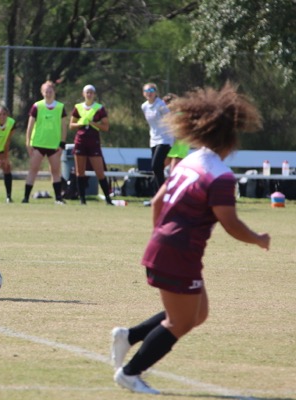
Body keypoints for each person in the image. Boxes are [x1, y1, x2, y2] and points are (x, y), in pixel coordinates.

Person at [111, 82, 270, 395]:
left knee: (197, 314)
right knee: (180, 322)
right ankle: (130, 373)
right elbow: (231, 223)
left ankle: (129, 336)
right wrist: (258, 239)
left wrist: (163, 236)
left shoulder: (189, 161)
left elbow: (157, 203)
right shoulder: (220, 175)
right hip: (178, 251)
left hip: (168, 247)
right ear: (229, 138)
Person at [22, 80, 68, 204]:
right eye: (46, 91)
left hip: (54, 145)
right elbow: (30, 125)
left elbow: (64, 126)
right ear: (42, 92)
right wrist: (28, 142)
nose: (48, 93)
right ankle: (26, 197)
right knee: (33, 169)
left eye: (50, 91)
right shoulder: (37, 106)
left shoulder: (60, 107)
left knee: (55, 171)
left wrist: (62, 143)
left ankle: (58, 198)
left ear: (54, 92)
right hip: (38, 144)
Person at [68, 84, 112, 205]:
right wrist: (81, 124)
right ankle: (82, 199)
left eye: (91, 92)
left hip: (93, 141)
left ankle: (108, 199)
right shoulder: (78, 107)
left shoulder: (99, 108)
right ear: (83, 94)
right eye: (87, 92)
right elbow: (71, 125)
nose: (89, 94)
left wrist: (93, 123)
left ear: (94, 94)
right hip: (80, 141)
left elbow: (106, 126)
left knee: (99, 171)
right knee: (80, 171)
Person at [141, 83, 174, 199]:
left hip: (165, 138)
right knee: (157, 168)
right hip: (153, 139)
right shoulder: (144, 106)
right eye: (147, 90)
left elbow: (170, 120)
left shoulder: (161, 105)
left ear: (156, 92)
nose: (149, 92)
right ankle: (159, 196)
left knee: (156, 166)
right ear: (143, 93)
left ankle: (161, 196)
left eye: (152, 90)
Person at [163, 93, 190, 172]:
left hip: (179, 147)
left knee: (174, 171)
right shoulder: (166, 115)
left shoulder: (182, 115)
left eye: (168, 103)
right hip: (168, 146)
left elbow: (183, 131)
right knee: (163, 171)